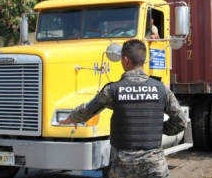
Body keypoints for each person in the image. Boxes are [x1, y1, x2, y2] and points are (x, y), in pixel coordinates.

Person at [59, 39, 186, 178]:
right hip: (154, 165)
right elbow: (181, 122)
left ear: (125, 60)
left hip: (123, 166)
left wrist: (71, 118)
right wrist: (156, 128)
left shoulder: (113, 90)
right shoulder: (161, 89)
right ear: (143, 60)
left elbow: (88, 110)